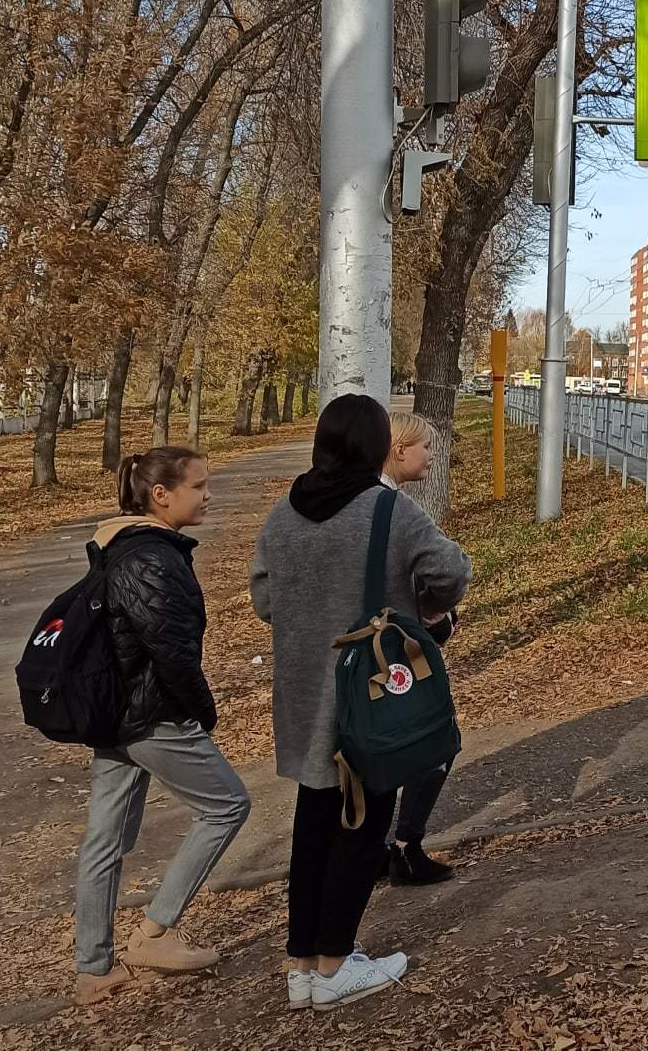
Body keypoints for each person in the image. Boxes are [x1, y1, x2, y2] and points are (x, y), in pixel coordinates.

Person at [250, 395, 470, 1011]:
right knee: (364, 823)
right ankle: (335, 964)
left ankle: (301, 967)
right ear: (376, 447)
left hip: (301, 693)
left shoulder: (282, 514)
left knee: (313, 822)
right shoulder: (388, 510)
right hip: (370, 696)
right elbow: (450, 570)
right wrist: (418, 609)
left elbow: (265, 600)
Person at [74, 446, 251, 1006]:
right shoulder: (150, 556)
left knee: (104, 840)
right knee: (227, 805)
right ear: (161, 494)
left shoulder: (116, 546)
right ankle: (156, 932)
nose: (207, 495)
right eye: (199, 486)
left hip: (113, 713)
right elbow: (171, 651)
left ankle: (93, 969)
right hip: (149, 715)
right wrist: (204, 711)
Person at [379, 411, 457, 886]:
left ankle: (378, 848)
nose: (433, 454)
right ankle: (404, 846)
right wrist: (432, 613)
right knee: (437, 741)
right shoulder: (392, 508)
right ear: (399, 450)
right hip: (397, 649)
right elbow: (449, 571)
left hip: (371, 649)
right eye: (425, 446)